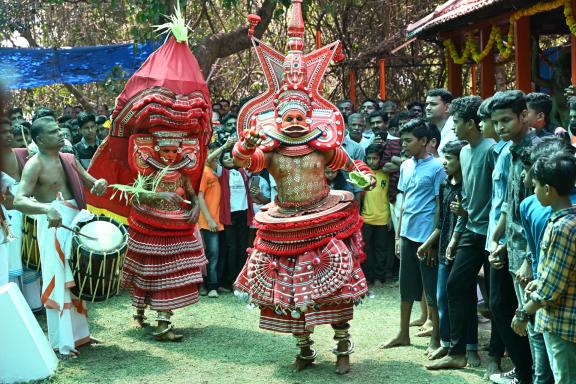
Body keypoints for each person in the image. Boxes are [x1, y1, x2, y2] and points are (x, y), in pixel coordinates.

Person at [232, 3, 376, 373]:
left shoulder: (324, 144)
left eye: (299, 117)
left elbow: (352, 167)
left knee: (334, 289)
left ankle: (342, 347)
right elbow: (246, 163)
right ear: (277, 118)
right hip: (285, 222)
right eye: (288, 117)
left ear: (310, 117)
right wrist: (246, 146)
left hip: (323, 218)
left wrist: (365, 177)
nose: (294, 122)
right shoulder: (270, 148)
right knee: (295, 292)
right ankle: (304, 348)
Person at [13, 117, 108, 358]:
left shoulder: (68, 157)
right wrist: (46, 209)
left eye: (59, 130)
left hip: (75, 222)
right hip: (54, 227)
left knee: (76, 278)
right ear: (41, 139)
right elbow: (19, 199)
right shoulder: (34, 165)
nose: (61, 133)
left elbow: (90, 181)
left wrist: (99, 183)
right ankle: (62, 343)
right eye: (54, 132)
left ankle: (80, 336)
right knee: (59, 283)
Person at [427, 95, 494, 370]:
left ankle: (494, 356)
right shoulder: (465, 152)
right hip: (470, 230)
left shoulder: (492, 150)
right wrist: (455, 236)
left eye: (456, 121)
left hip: (492, 234)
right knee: (455, 286)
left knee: (495, 301)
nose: (453, 127)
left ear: (470, 122)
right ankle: (459, 350)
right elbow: (465, 198)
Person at [514, 138, 576, 384]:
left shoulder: (562, 227)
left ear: (548, 189)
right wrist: (538, 283)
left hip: (563, 324)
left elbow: (552, 289)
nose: (532, 187)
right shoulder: (564, 220)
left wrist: (523, 312)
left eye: (536, 184)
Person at [381, 119, 446, 352]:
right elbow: (405, 202)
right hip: (407, 234)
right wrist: (398, 236)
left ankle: (436, 338)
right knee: (406, 287)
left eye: (408, 140)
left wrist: (433, 242)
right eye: (402, 140)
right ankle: (403, 333)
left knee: (430, 290)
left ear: (425, 141)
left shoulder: (438, 167)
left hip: (427, 239)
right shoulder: (406, 166)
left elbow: (440, 206)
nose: (404, 145)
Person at [489, 90, 537, 384]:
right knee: (504, 307)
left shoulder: (536, 153)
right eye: (496, 122)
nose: (500, 127)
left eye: (506, 120)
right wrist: (497, 240)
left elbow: (539, 216)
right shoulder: (510, 151)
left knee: (532, 321)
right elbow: (509, 204)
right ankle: (524, 371)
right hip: (512, 248)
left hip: (529, 256)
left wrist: (530, 261)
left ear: (524, 117)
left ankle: (532, 375)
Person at [417, 140, 474, 361]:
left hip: (463, 249)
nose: (444, 163)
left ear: (462, 161)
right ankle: (447, 343)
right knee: (442, 298)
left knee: (466, 298)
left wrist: (464, 213)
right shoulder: (445, 185)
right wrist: (427, 243)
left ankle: (470, 346)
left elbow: (475, 218)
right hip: (443, 248)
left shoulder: (468, 187)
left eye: (449, 159)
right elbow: (441, 222)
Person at [0, 118, 43, 311]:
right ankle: (13, 308)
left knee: (28, 259)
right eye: (4, 132)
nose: (9, 135)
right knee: (9, 264)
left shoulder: (22, 153)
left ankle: (33, 304)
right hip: (5, 218)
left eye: (10, 131)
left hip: (23, 213)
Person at [361, 144, 394, 287]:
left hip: (382, 218)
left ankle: (379, 277)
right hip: (366, 218)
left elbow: (389, 197)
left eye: (375, 158)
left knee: (381, 250)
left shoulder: (386, 173)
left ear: (380, 159)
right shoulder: (362, 173)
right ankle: (367, 276)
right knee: (366, 248)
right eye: (369, 158)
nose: (371, 161)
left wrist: (390, 218)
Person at [425, 88, 458, 157]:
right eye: (427, 104)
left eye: (433, 104)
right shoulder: (429, 128)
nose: (427, 108)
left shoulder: (456, 126)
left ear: (447, 107)